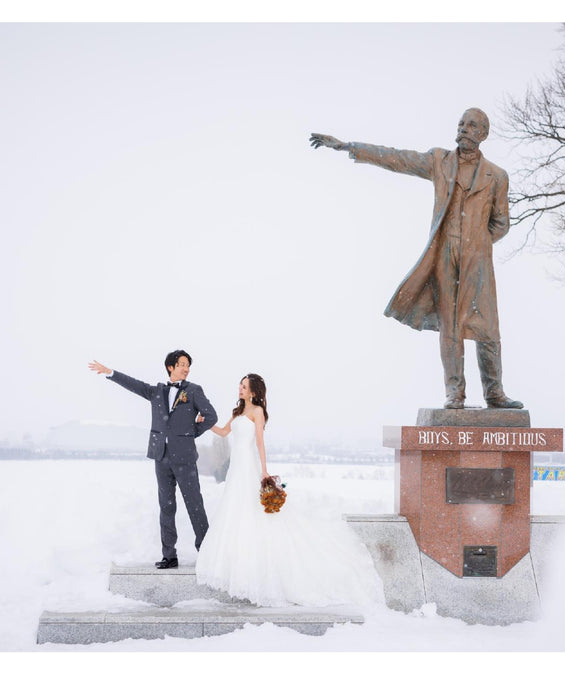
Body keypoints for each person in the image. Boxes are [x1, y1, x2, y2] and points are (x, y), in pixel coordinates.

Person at [309, 108, 523, 410]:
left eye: (471, 125)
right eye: (460, 123)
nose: (463, 128)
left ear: (483, 133)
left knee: (488, 328)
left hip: (478, 262)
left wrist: (478, 243)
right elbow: (397, 158)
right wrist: (348, 146)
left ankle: (495, 393)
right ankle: (455, 392)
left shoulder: (497, 176)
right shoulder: (439, 161)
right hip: (444, 258)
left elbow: (501, 223)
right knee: (450, 328)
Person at [195, 374, 384, 607]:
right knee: (236, 507)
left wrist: (264, 471)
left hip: (249, 465)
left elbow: (260, 443)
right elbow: (224, 432)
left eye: (244, 386)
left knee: (254, 508)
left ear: (253, 392)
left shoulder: (257, 413)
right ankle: (238, 560)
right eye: (240, 385)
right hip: (236, 468)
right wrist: (204, 424)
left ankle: (259, 564)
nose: (240, 389)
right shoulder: (237, 413)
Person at [88, 350, 217, 569]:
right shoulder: (156, 391)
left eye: (188, 366)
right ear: (171, 367)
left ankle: (206, 553)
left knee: (195, 504)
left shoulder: (194, 391)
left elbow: (211, 416)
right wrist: (109, 372)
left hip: (184, 457)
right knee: (166, 506)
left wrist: (190, 432)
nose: (186, 369)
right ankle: (169, 555)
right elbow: (133, 384)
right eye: (182, 364)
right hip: (161, 456)